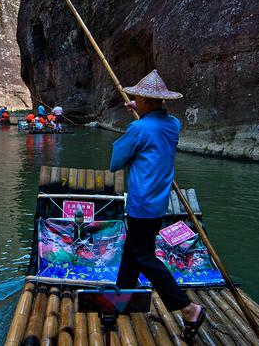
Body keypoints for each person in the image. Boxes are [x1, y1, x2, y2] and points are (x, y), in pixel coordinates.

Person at [109, 70, 206, 341]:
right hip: (158, 201)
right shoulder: (172, 124)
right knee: (133, 251)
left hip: (141, 202)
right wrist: (138, 109)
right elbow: (156, 122)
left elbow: (116, 161)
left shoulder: (139, 128)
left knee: (144, 257)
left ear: (146, 102)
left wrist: (136, 124)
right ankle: (122, 299)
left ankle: (188, 308)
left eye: (137, 98)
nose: (134, 100)